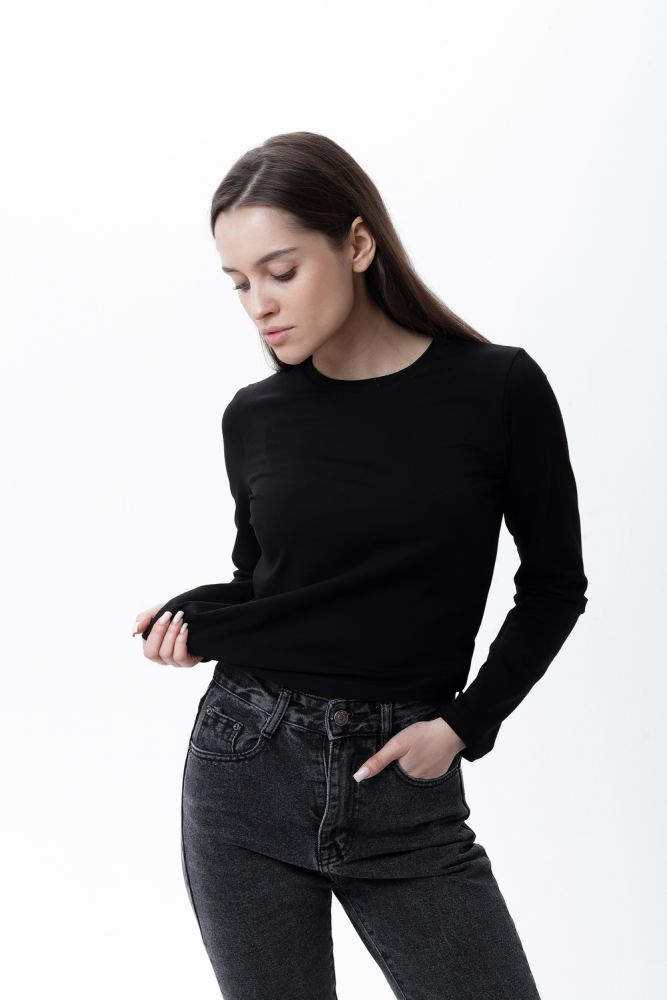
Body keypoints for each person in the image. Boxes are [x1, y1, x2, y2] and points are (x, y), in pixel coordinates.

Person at [134, 131, 588, 1000]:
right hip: (245, 765)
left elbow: (554, 587)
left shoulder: (497, 389)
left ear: (356, 244)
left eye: (280, 270)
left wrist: (464, 725)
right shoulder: (254, 416)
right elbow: (270, 583)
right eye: (239, 283)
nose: (259, 304)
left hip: (402, 779)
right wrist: (197, 618)